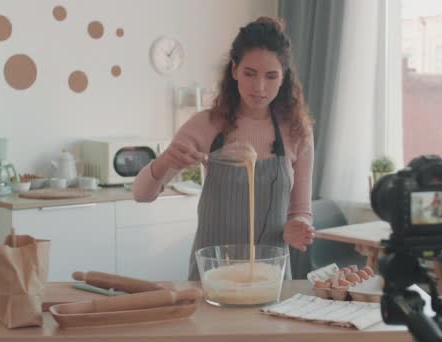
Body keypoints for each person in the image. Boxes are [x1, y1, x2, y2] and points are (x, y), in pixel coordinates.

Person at [133, 17, 315, 281]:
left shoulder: (298, 132)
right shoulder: (206, 125)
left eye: (271, 76)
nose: (259, 87)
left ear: (284, 77)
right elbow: (140, 195)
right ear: (234, 70)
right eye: (249, 73)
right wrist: (163, 163)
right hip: (212, 279)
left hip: (271, 280)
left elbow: (301, 210)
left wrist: (298, 226)